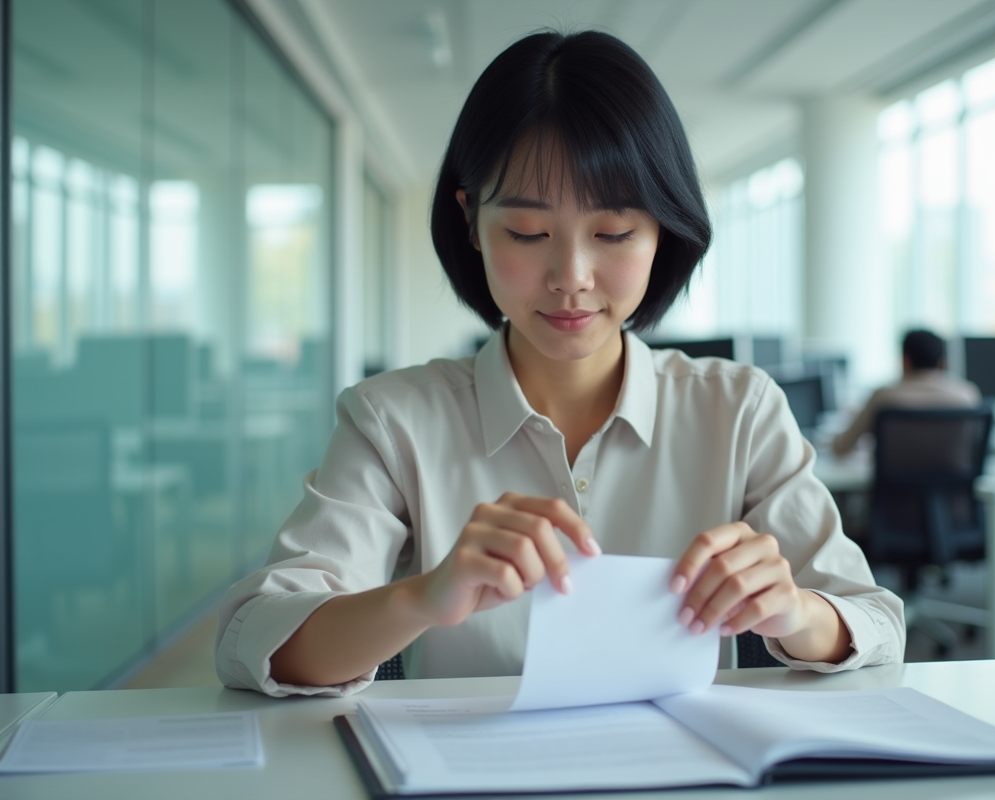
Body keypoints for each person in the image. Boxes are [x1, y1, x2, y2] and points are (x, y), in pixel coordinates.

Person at [215, 30, 904, 697]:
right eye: (528, 232)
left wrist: (797, 613)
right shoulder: (392, 419)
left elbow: (876, 623)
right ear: (470, 221)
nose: (571, 276)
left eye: (612, 232)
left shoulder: (739, 409)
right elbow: (253, 639)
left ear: (663, 229)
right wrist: (421, 598)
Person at [830, 329, 981, 457]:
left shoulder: (884, 397)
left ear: (905, 360)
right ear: (942, 363)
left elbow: (842, 448)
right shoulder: (968, 395)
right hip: (952, 491)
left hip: (892, 491)